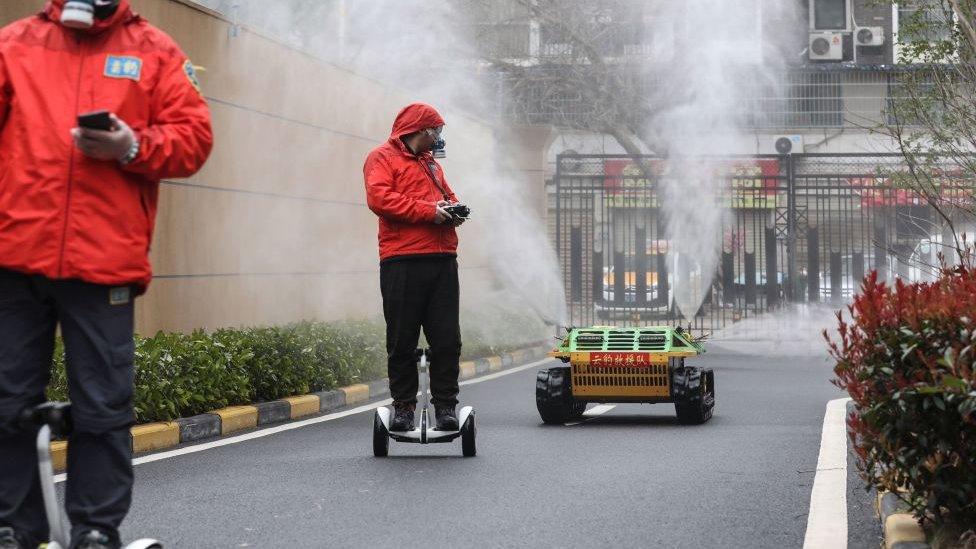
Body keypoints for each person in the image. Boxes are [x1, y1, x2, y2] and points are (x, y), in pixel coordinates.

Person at [0, 1, 213, 547]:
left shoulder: (155, 51)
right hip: (14, 254)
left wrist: (133, 146)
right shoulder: (14, 44)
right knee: (5, 399)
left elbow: (194, 139)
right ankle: (11, 527)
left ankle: (95, 529)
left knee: (102, 404)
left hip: (105, 260)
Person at [364, 103, 466, 433]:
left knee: (447, 339)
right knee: (401, 340)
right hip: (402, 261)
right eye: (436, 131)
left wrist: (454, 210)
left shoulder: (432, 166)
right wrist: (428, 212)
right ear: (421, 130)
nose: (438, 138)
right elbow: (380, 199)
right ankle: (404, 407)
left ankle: (447, 406)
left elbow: (446, 196)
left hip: (442, 260)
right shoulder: (381, 158)